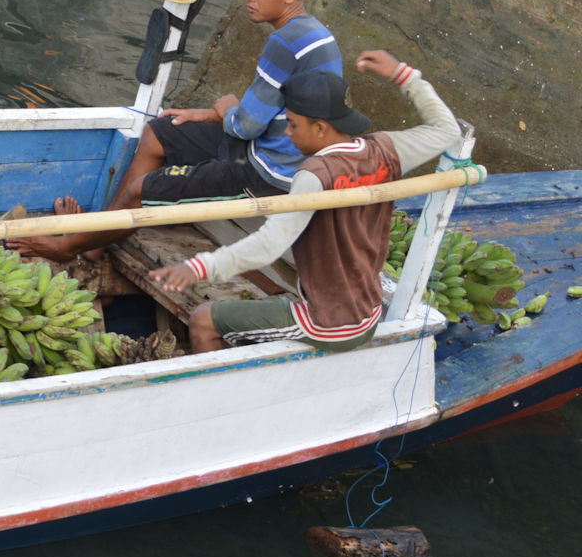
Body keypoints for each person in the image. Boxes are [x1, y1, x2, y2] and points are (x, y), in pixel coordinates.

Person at [9, 0, 341, 262]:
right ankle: (94, 238)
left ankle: (66, 248)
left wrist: (226, 111)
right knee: (159, 132)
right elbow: (271, 112)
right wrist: (213, 114)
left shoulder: (282, 44)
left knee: (141, 190)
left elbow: (247, 126)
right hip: (265, 148)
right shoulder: (319, 35)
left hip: (266, 172)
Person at [149, 51, 461, 353]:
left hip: (328, 323)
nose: (287, 131)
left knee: (204, 320)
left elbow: (269, 246)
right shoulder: (385, 151)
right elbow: (447, 130)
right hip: (366, 309)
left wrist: (198, 267)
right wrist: (404, 76)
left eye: (294, 124)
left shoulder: (315, 175)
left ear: (321, 128)